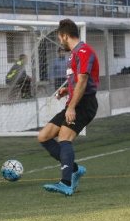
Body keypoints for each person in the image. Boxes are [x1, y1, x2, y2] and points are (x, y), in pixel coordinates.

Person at [38, 19, 99, 196]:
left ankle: (66, 182)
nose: (59, 41)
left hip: (83, 104)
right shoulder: (74, 54)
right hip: (74, 102)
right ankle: (74, 169)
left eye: (59, 38)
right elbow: (77, 81)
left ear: (65, 35)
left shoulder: (84, 51)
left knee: (65, 137)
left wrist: (72, 107)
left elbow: (84, 81)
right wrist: (67, 90)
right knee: (44, 136)